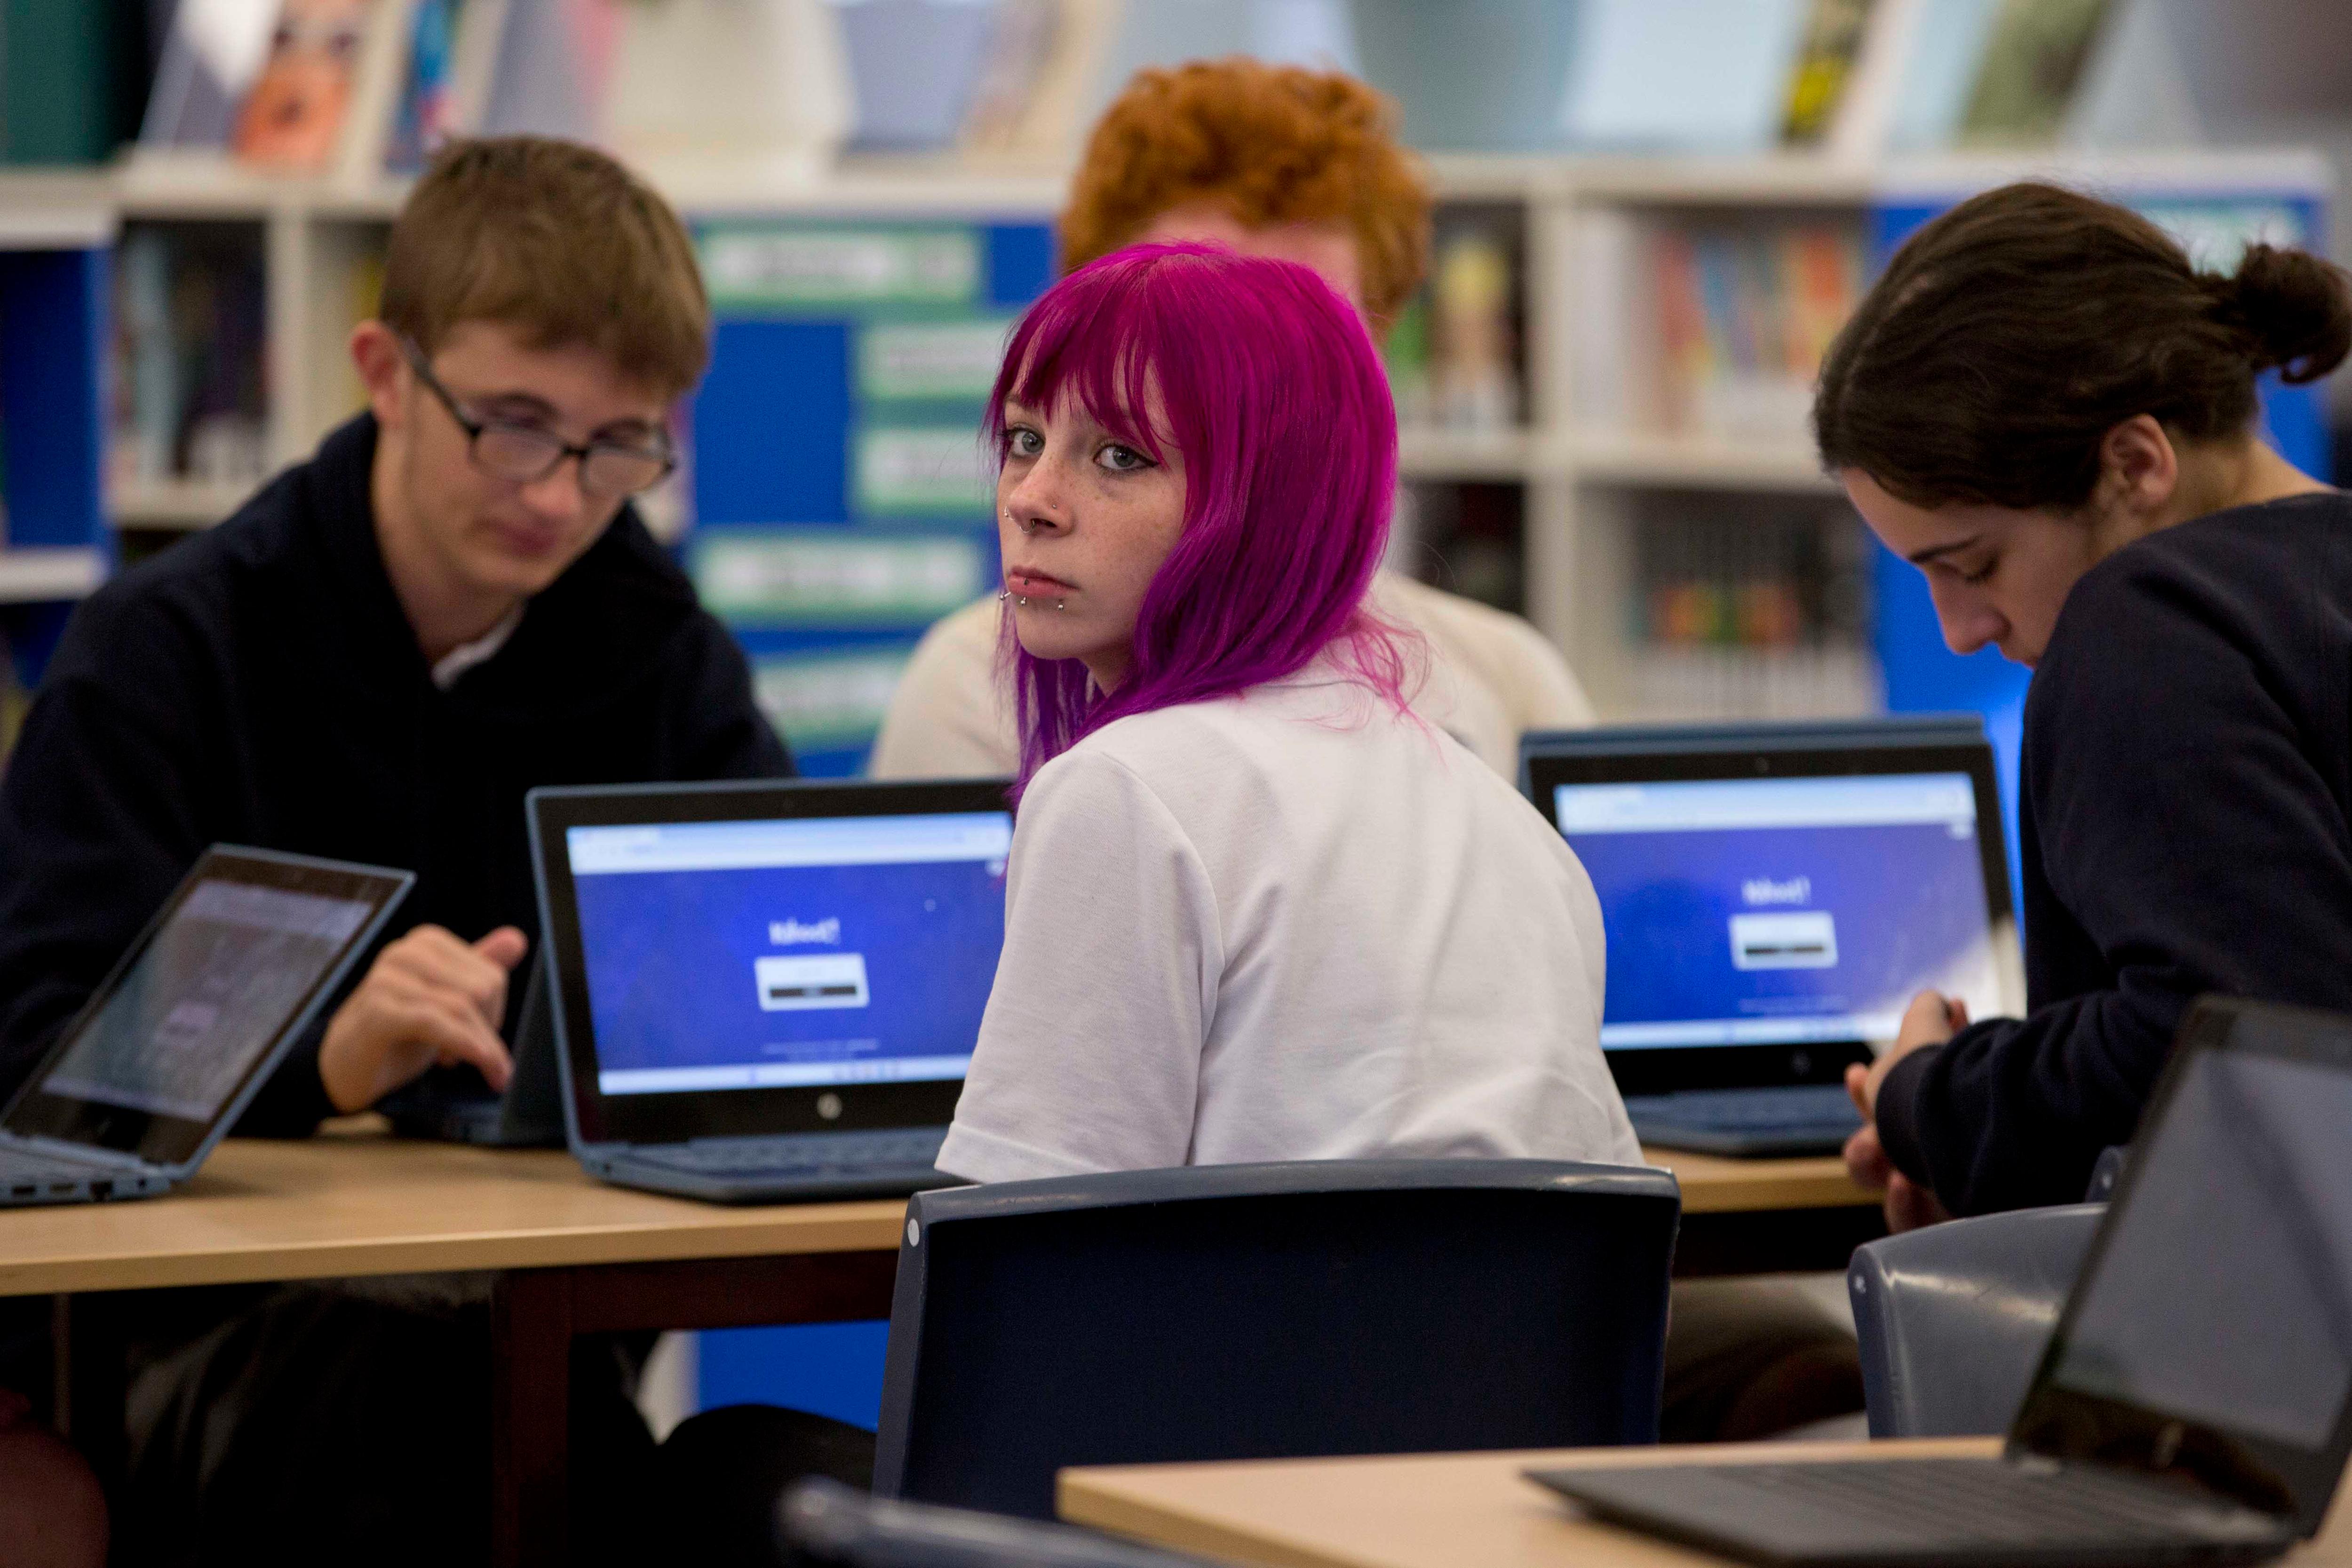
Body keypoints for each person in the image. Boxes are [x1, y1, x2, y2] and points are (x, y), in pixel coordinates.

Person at [656, 245, 1636, 1562]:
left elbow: (1015, 1298)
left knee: (708, 1464)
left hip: (1206, 1511)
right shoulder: (1502, 820)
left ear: (1269, 503)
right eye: (1021, 438)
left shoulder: (1132, 784)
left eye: (1120, 458)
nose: (1034, 500)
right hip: (1480, 1523)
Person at [0, 136, 789, 1564]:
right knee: (436, 1412)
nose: (558, 492)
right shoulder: (167, 653)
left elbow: (769, 986)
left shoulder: (665, 656)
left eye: (618, 444)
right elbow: (32, 1057)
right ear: (383, 371)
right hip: (195, 1354)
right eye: (512, 421)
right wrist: (314, 1052)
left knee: (727, 1491)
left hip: (539, 1335)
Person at [1820, 181, 2352, 1225]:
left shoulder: (2142, 625)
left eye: (1971, 563)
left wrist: (1930, 1093)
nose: (1958, 628)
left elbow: (2227, 1046)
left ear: (2134, 461)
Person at [868, 58, 1593, 781]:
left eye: (1305, 340)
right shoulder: (971, 690)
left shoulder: (1507, 678)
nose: (1245, 387)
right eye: (1189, 331)